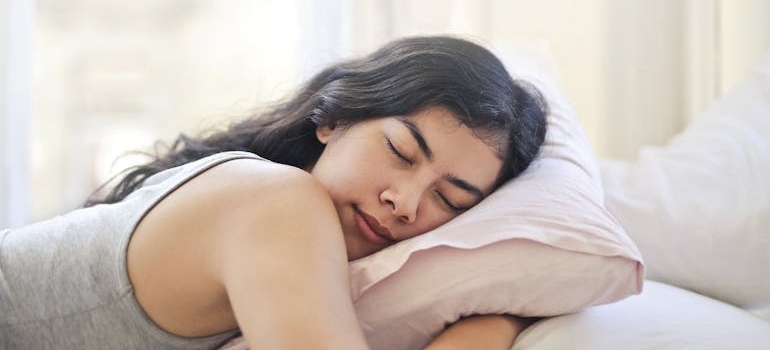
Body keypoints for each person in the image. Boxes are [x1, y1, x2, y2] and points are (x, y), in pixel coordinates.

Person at [0, 35, 547, 350]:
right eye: (401, 152)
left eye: (450, 201)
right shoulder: (277, 201)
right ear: (333, 119)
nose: (405, 203)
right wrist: (497, 322)